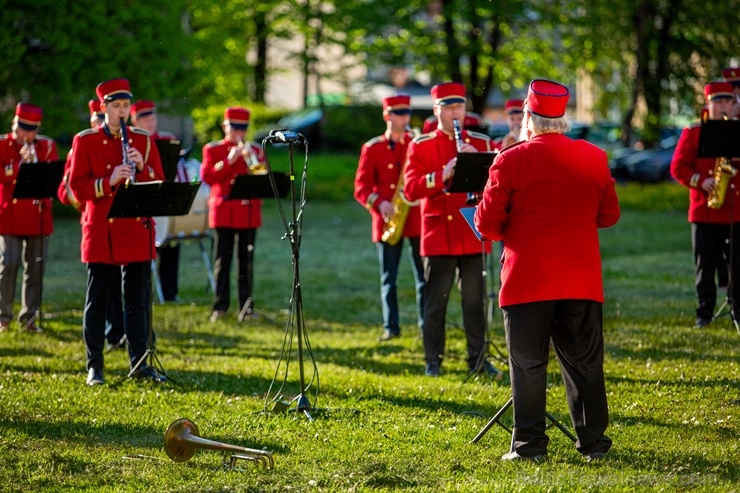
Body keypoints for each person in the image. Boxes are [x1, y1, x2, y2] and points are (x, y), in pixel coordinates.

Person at [474, 78, 620, 462]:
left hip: (528, 279)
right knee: (585, 364)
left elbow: (487, 226)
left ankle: (529, 446)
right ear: (563, 118)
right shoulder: (593, 157)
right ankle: (594, 444)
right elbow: (609, 215)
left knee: (528, 365)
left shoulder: (510, 159)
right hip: (581, 278)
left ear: (527, 116)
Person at [69, 78, 165, 386]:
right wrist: (108, 180)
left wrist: (143, 169)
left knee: (137, 301)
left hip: (136, 229)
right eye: (116, 106)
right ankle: (94, 366)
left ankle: (139, 363)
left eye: (126, 106)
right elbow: (76, 188)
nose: (122, 112)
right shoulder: (85, 140)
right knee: (97, 301)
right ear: (103, 108)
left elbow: (159, 182)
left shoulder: (143, 140)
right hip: (101, 230)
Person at [403, 82, 501, 378]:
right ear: (437, 110)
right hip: (438, 234)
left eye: (459, 107)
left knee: (475, 301)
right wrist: (439, 175)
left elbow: (496, 185)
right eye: (448, 108)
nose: (455, 113)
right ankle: (433, 360)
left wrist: (478, 164)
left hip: (472, 231)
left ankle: (478, 359)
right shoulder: (421, 145)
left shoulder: (482, 142)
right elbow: (410, 190)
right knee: (436, 303)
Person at [354, 95, 425, 342]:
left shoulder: (415, 143)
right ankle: (391, 327)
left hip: (415, 218)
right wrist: (379, 202)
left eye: (407, 112)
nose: (405, 117)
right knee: (389, 279)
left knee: (423, 277)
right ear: (387, 115)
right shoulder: (372, 148)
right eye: (398, 113)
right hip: (388, 219)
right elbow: (361, 186)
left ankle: (426, 327)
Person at [670, 81, 739, 329]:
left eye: (728, 101)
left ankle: (737, 311)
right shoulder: (694, 131)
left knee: (737, 265)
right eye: (717, 102)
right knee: (705, 266)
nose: (723, 107)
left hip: (735, 210)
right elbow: (677, 167)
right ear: (707, 104)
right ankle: (704, 313)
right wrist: (701, 180)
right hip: (704, 211)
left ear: (734, 105)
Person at [58, 99, 126, 351]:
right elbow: (66, 192)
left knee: (119, 285)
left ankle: (119, 331)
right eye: (97, 119)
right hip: (94, 219)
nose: (100, 124)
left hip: (117, 221)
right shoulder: (81, 147)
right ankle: (110, 334)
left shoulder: (119, 143)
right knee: (101, 287)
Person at [0, 103, 59, 333]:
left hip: (38, 215)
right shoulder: (3, 145)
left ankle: (30, 317)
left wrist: (36, 163)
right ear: (14, 124)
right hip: (10, 215)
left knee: (35, 267)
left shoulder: (46, 146)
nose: (25, 135)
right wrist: (19, 166)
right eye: (22, 128)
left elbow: (53, 176)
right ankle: (4, 316)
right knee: (10, 262)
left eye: (31, 130)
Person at [201, 107, 263, 322]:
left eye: (243, 129)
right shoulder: (212, 149)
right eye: (234, 128)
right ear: (225, 126)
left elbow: (262, 177)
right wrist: (229, 160)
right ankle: (220, 306)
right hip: (224, 212)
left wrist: (252, 159)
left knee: (246, 262)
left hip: (248, 212)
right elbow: (207, 177)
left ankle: (246, 306)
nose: (239, 133)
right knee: (223, 261)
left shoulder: (255, 149)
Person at [131, 100, 183, 303]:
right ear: (135, 120)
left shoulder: (166, 140)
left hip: (164, 194)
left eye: (152, 118)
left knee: (170, 241)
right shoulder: (133, 141)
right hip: (140, 197)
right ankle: (145, 292)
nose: (151, 123)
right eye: (145, 119)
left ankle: (169, 291)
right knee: (147, 246)